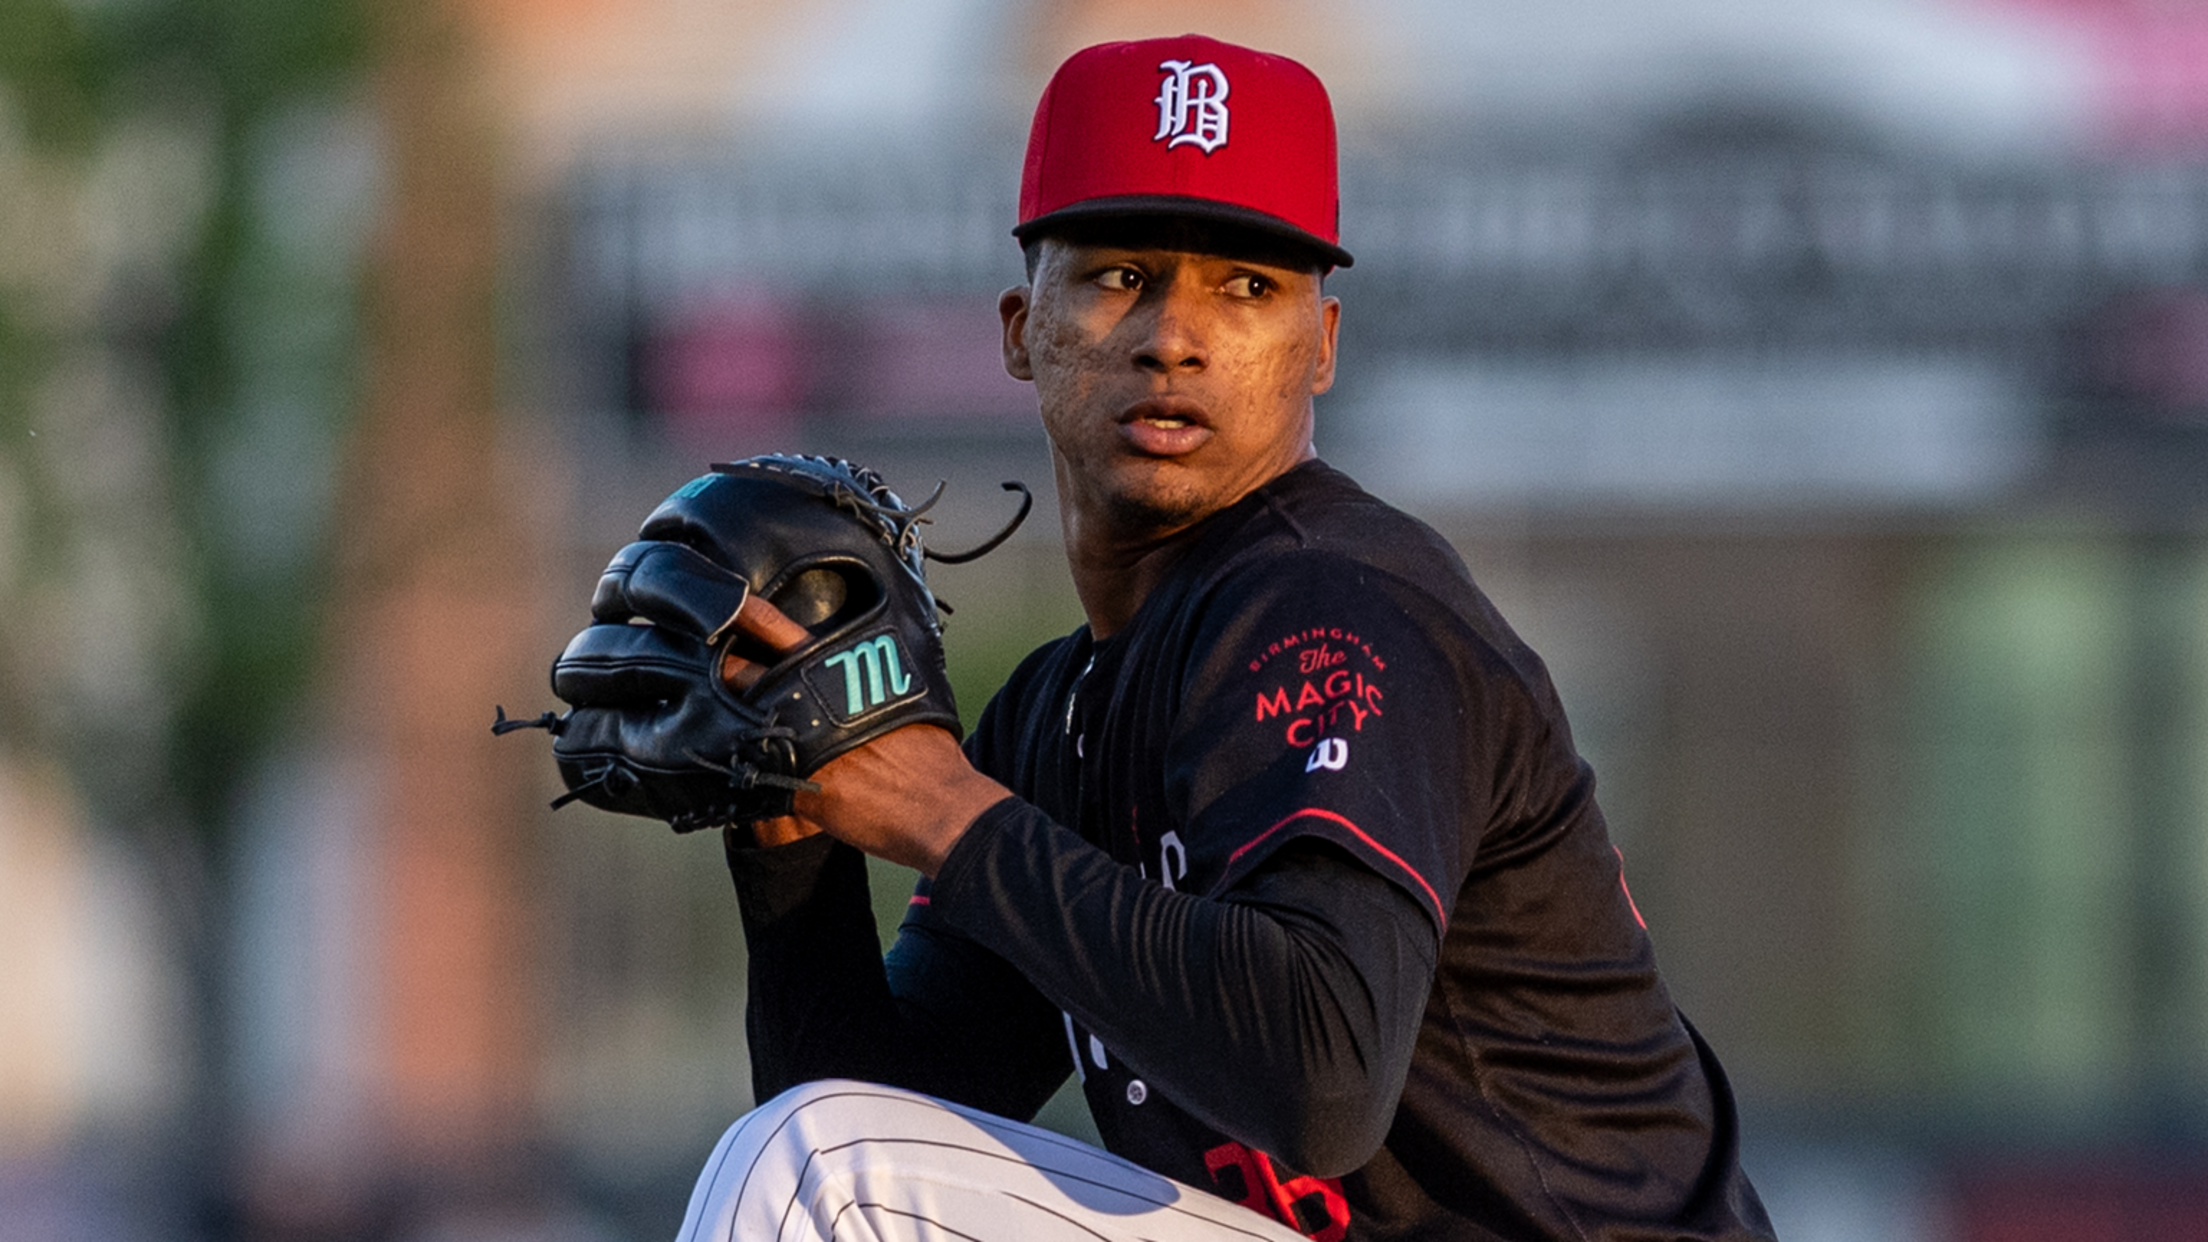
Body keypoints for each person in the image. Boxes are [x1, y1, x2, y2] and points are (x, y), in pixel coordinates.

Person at [681, 34, 1777, 1242]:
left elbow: (1322, 1080)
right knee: (824, 1155)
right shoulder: (1057, 713)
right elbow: (877, 1106)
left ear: (1322, 344)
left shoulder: (1339, 602)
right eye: (1121, 276)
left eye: (1247, 287)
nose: (1176, 337)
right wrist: (788, 819)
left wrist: (947, 810)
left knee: (820, 1168)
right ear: (1020, 327)